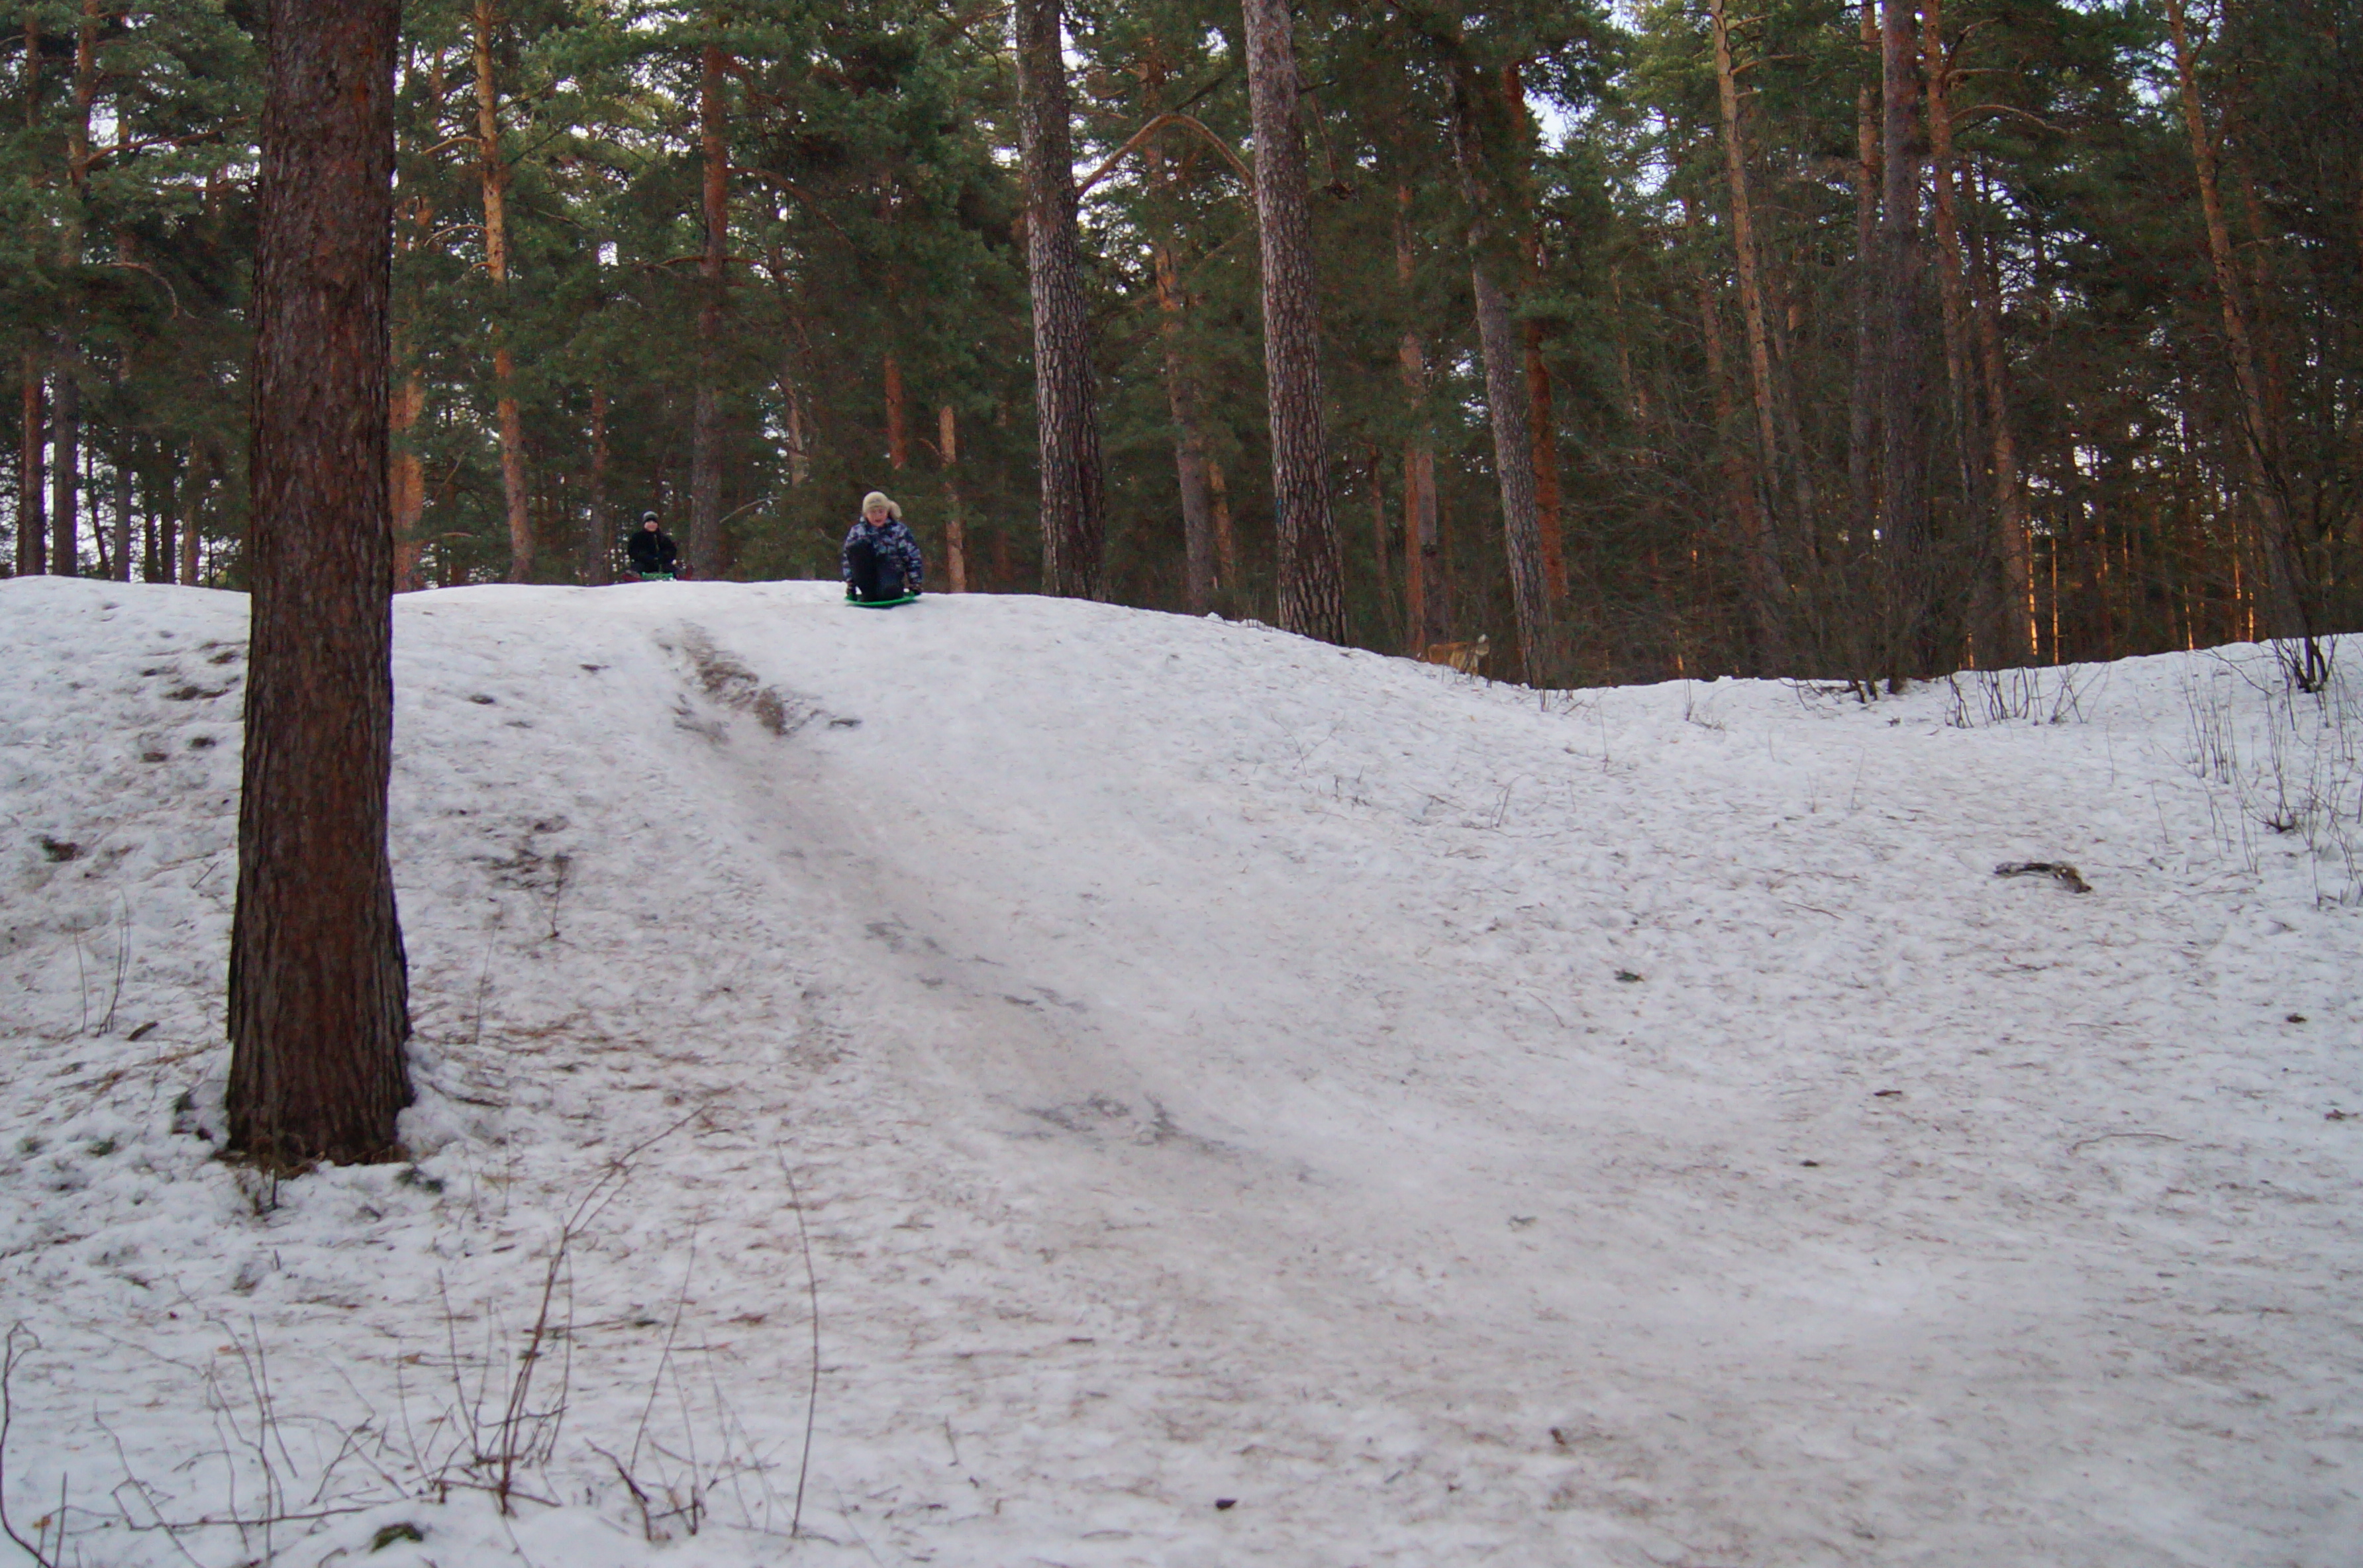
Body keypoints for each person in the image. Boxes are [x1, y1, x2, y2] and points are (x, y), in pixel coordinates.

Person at [841, 491, 923, 603]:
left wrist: (915, 583)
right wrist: (851, 584)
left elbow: (912, 556)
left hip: (891, 572)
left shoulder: (899, 530)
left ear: (888, 512)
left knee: (887, 592)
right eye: (873, 512)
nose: (878, 516)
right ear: (866, 514)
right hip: (867, 575)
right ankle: (869, 594)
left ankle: (888, 591)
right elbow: (849, 559)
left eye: (881, 511)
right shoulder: (858, 532)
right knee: (857, 547)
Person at [625, 511, 681, 579]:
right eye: (649, 522)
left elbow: (672, 551)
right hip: (644, 563)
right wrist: (645, 557)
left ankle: (679, 576)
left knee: (670, 568)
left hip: (661, 564)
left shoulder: (663, 538)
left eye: (654, 522)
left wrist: (664, 556)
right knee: (637, 567)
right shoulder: (637, 537)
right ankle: (634, 577)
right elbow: (633, 551)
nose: (651, 524)